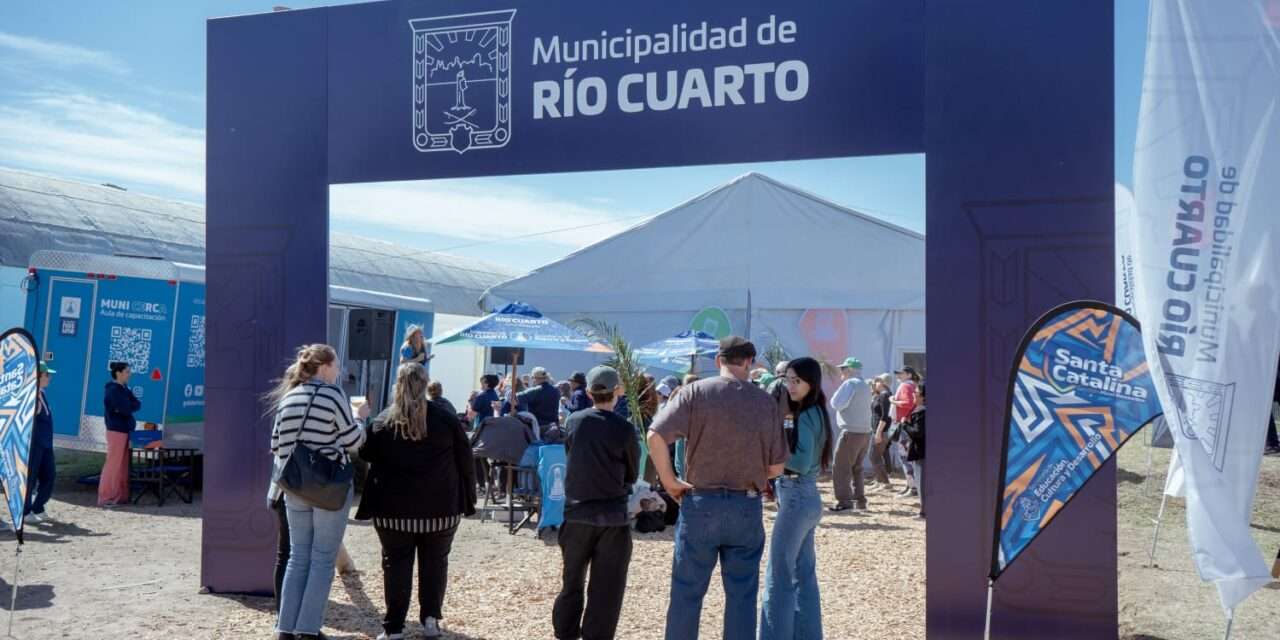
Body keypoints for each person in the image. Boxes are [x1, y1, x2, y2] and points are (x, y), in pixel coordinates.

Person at [647, 336, 789, 640]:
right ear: (749, 362)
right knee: (741, 595)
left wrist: (670, 481)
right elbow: (777, 467)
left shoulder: (695, 392)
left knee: (686, 592)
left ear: (718, 361)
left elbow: (655, 435)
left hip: (701, 502)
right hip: (745, 503)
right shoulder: (765, 402)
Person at [357, 363, 476, 640]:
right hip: (441, 508)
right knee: (435, 563)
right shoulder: (446, 419)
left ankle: (394, 627)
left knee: (395, 564)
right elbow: (466, 461)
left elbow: (365, 454)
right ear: (426, 385)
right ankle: (431, 620)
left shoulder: (382, 421)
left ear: (397, 385)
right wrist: (468, 500)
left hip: (393, 511)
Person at [269, 344, 369, 640]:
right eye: (337, 365)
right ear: (324, 366)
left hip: (294, 487)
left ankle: (284, 628)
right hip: (327, 487)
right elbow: (353, 442)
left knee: (297, 557)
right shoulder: (332, 394)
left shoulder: (290, 395)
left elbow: (276, 445)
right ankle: (308, 630)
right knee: (323, 558)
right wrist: (360, 417)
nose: (339, 371)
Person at [553, 365, 640, 640]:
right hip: (612, 514)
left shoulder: (574, 421)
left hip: (577, 511)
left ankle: (565, 633)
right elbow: (633, 472)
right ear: (617, 393)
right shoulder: (624, 428)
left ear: (589, 393)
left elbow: (570, 453)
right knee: (607, 588)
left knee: (571, 582)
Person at [761, 357, 832, 640]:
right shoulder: (814, 411)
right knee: (803, 575)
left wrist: (766, 462)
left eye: (796, 380)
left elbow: (800, 462)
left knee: (778, 576)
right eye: (787, 379)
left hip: (797, 495)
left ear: (810, 383)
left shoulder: (807, 414)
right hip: (805, 496)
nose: (790, 385)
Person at [828, 357, 872, 512]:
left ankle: (845, 502)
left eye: (843, 368)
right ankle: (860, 501)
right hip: (865, 432)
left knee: (841, 467)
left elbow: (836, 404)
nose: (841, 371)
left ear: (849, 370)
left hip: (851, 432)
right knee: (857, 468)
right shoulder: (866, 385)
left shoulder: (850, 383)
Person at [100, 361, 140, 507]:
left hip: (125, 430)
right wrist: (127, 407)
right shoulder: (113, 390)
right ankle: (106, 497)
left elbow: (136, 404)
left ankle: (120, 496)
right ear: (119, 373)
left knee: (123, 466)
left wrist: (128, 407)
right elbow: (126, 409)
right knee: (113, 465)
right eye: (127, 371)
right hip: (116, 431)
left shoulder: (124, 388)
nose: (130, 374)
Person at [26, 361, 57, 522]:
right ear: (38, 375)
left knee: (49, 476)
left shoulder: (42, 393)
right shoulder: (29, 395)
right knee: (30, 478)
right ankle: (25, 512)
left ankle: (38, 507)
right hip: (34, 444)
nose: (49, 378)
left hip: (46, 444)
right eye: (47, 375)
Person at [890, 367, 920, 497]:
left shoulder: (905, 386)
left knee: (905, 457)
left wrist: (893, 401)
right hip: (910, 424)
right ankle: (911, 485)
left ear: (908, 374)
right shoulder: (913, 385)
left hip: (904, 424)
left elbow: (908, 403)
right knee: (909, 456)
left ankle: (912, 487)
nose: (898, 375)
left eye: (900, 373)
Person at [900, 383, 926, 519]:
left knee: (922, 482)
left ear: (922, 395)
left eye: (916, 391)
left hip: (921, 452)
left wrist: (905, 424)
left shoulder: (920, 411)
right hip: (925, 451)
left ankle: (924, 512)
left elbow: (917, 432)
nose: (913, 393)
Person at [869, 374, 895, 493]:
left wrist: (879, 432)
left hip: (882, 431)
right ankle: (880, 481)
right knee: (875, 456)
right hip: (878, 430)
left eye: (877, 381)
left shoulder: (885, 396)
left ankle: (885, 482)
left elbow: (885, 416)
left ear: (883, 383)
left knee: (874, 456)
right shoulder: (881, 395)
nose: (875, 383)